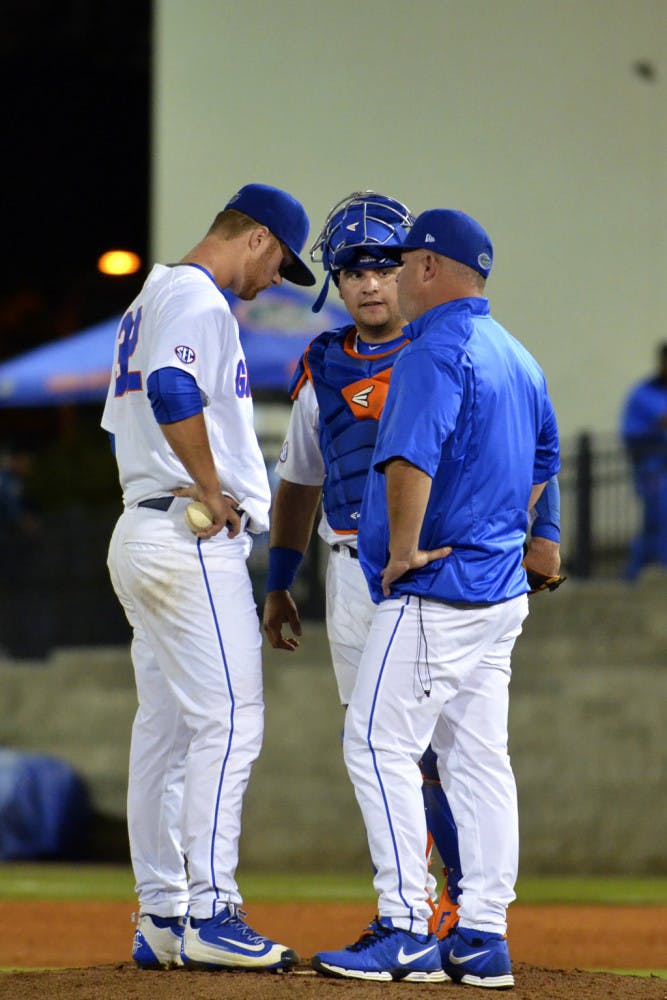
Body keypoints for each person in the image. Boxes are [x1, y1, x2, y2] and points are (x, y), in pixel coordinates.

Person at [311, 208, 560, 988]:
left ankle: (406, 927)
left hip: (435, 591)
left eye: (405, 259)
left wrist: (410, 548)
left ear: (426, 266)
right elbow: (544, 452)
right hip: (496, 594)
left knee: (375, 744)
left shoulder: (435, 348)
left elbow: (409, 456)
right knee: (478, 760)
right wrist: (519, 533)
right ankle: (483, 936)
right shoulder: (514, 352)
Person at [101, 183, 316, 972]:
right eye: (280, 264)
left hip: (141, 526)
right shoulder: (197, 298)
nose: (272, 284)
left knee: (164, 730)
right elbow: (171, 389)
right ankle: (211, 910)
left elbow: (134, 409)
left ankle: (161, 912)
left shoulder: (148, 298)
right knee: (230, 720)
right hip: (186, 537)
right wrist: (210, 482)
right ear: (256, 238)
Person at [262, 191, 462, 936]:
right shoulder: (319, 365)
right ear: (334, 283)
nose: (369, 284)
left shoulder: (444, 348)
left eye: (382, 267)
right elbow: (299, 482)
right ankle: (412, 903)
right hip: (348, 573)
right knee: (383, 748)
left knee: (442, 746)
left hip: (431, 573)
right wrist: (279, 582)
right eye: (352, 271)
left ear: (411, 270)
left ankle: (457, 903)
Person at [619, 342, 667, 581]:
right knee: (658, 521)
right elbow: (631, 435)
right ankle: (639, 575)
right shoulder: (643, 395)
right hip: (654, 471)